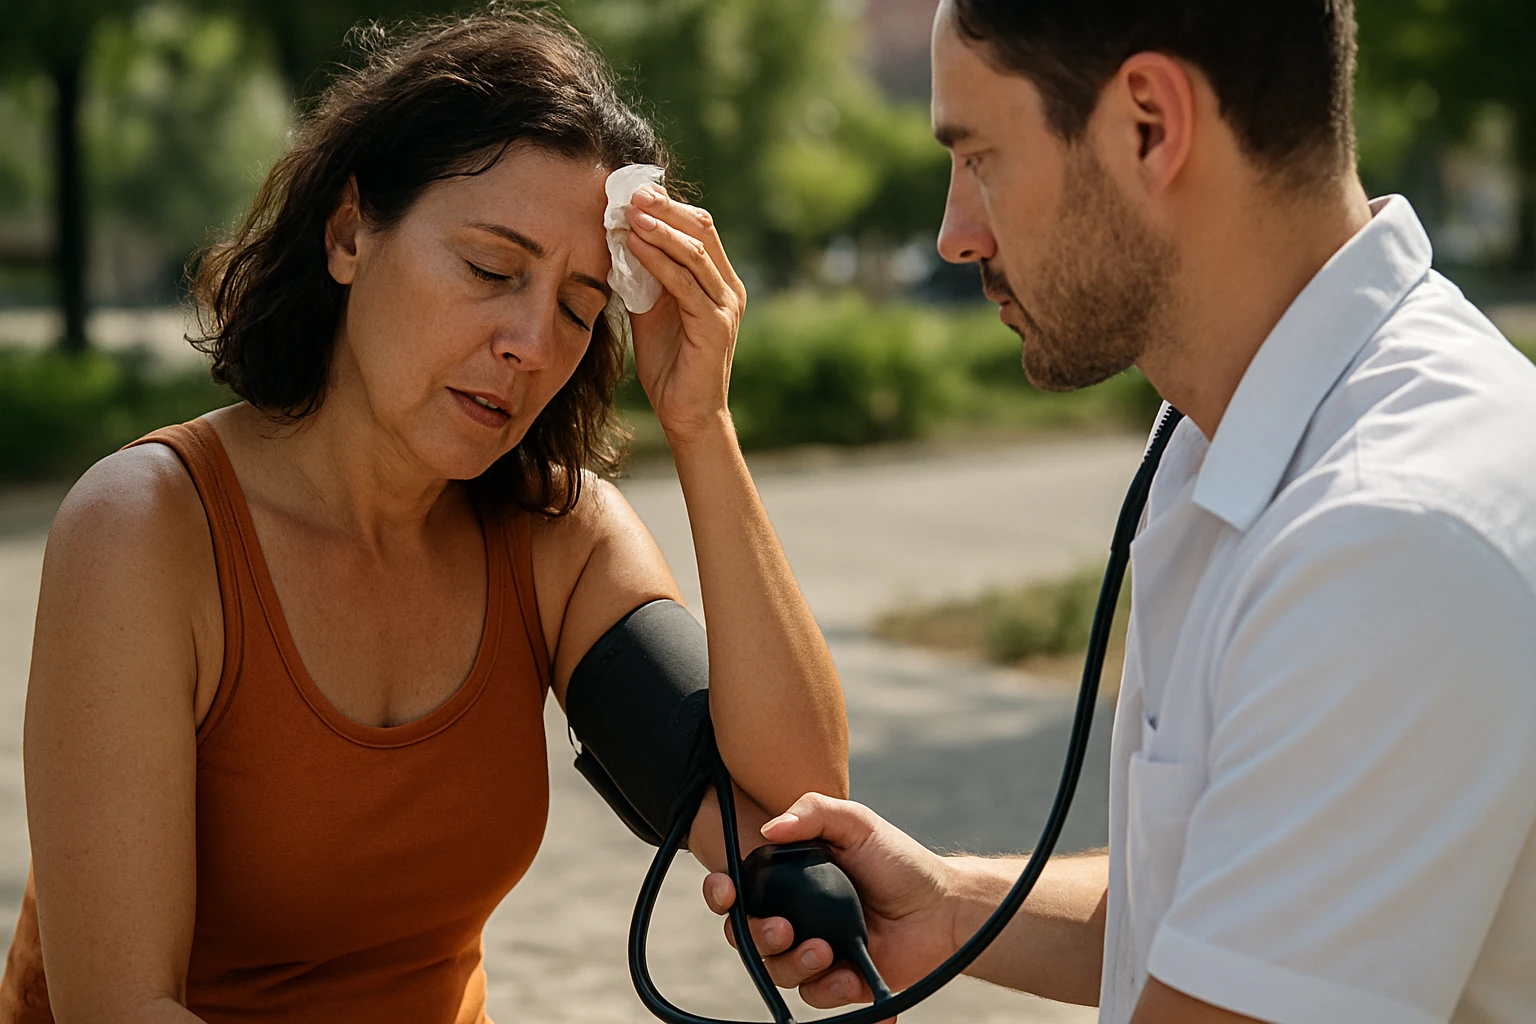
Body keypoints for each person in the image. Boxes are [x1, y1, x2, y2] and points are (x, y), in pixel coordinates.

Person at [4, 10, 849, 1023]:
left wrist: (701, 424)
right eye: (492, 270)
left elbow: (799, 807)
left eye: (580, 306)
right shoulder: (144, 532)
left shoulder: (556, 538)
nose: (533, 342)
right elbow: (120, 1008)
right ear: (352, 231)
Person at [703, 3, 1536, 1023]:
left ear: (1149, 124)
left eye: (981, 160)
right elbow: (1212, 910)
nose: (954, 234)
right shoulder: (1235, 436)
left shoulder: (1389, 540)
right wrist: (948, 907)